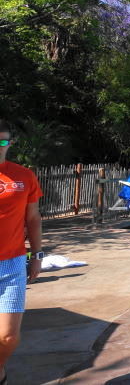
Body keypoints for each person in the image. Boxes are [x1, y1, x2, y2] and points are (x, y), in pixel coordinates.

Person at [0, 120, 43, 385]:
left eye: (3, 141)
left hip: (12, 264)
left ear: (10, 144)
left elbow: (33, 217)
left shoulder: (24, 175)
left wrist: (37, 255)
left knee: (8, 336)